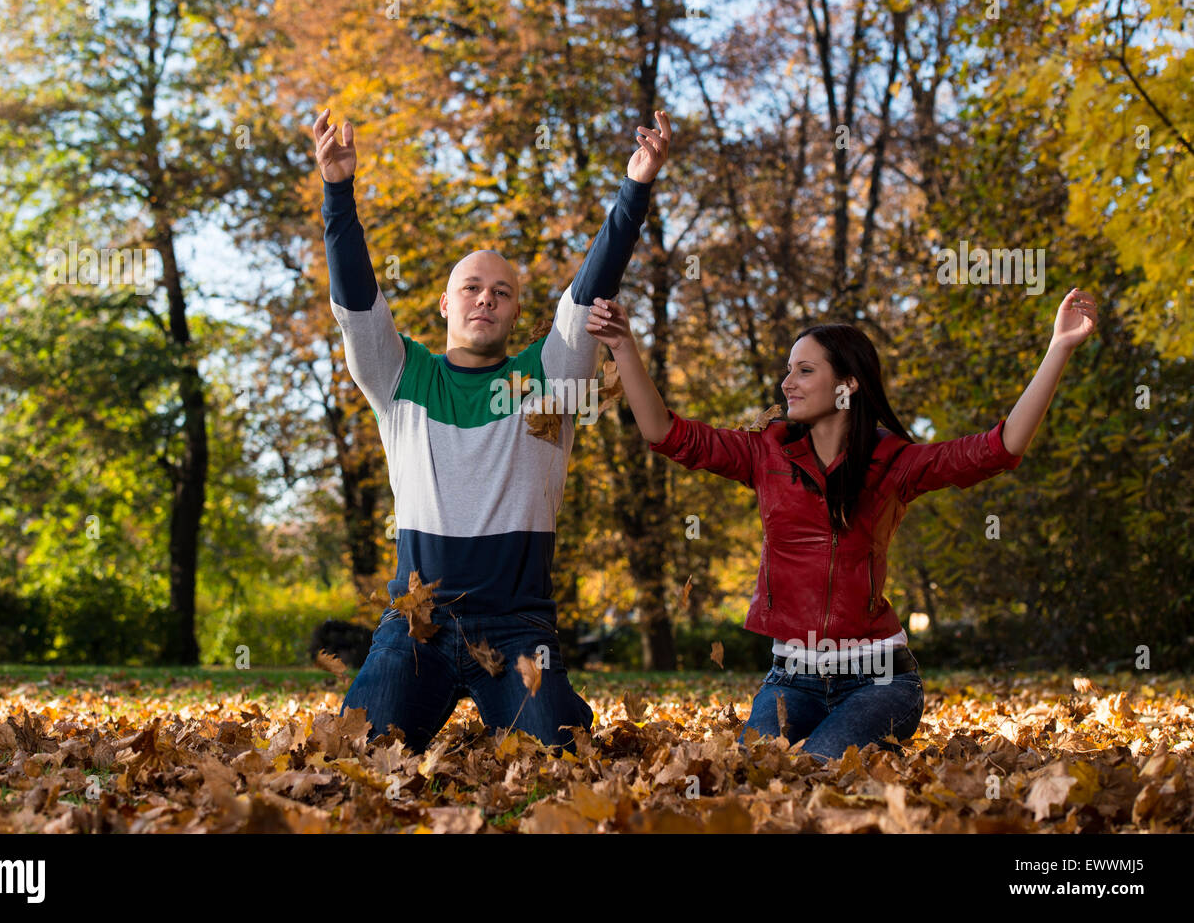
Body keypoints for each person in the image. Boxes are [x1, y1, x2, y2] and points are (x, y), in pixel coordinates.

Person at [585, 289, 1098, 762]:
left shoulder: (896, 462)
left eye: (805, 371)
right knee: (752, 774)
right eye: (789, 370)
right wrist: (624, 346)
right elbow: (668, 434)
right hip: (790, 679)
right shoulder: (766, 452)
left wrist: (1060, 346)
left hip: (879, 679)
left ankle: (868, 747)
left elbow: (999, 448)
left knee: (819, 769)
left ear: (848, 384)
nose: (787, 383)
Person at [311, 106, 672, 753]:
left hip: (515, 628)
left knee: (561, 760)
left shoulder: (551, 373)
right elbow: (356, 304)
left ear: (516, 310)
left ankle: (550, 707)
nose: (486, 299)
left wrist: (635, 188)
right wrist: (338, 193)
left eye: (501, 291)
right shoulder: (400, 376)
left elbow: (592, 287)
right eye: (472, 288)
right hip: (415, 625)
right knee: (354, 759)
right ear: (445, 304)